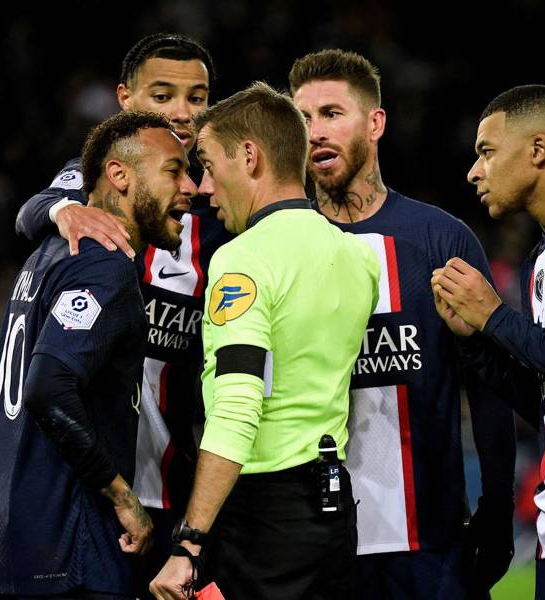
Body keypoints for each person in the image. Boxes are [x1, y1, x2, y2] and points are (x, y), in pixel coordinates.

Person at [288, 49, 517, 599]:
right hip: (315, 547)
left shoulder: (440, 239)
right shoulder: (278, 246)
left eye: (332, 113)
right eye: (302, 118)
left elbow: (488, 387)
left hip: (431, 545)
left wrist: (497, 506)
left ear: (375, 123)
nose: (315, 132)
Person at [14, 33, 232, 598]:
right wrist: (63, 209)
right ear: (125, 100)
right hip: (96, 489)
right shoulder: (95, 192)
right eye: (162, 96)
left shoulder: (218, 212)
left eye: (197, 97)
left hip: (176, 489)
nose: (181, 112)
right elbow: (30, 210)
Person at [150, 81, 380, 600]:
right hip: (331, 513)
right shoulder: (359, 258)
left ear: (250, 157)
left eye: (210, 166)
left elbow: (237, 406)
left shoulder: (242, 259)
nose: (204, 188)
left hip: (260, 519)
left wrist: (189, 542)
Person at [0, 111, 198, 600]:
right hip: (68, 542)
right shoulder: (104, 265)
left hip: (3, 535)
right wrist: (123, 496)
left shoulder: (48, 255)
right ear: (119, 176)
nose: (191, 187)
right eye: (174, 171)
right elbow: (48, 388)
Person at [431, 84, 545, 600]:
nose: (474, 172)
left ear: (538, 149)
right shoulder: (543, 254)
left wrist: (496, 318)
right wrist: (476, 342)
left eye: (487, 152)